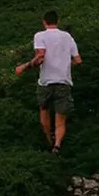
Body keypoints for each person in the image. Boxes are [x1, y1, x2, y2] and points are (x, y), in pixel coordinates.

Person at [15, 10, 82, 154]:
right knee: (60, 118)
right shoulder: (67, 37)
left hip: (45, 82)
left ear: (44, 22)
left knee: (44, 110)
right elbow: (78, 60)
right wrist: (64, 64)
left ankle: (48, 140)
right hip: (63, 81)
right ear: (57, 21)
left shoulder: (40, 35)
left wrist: (25, 66)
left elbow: (40, 57)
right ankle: (57, 145)